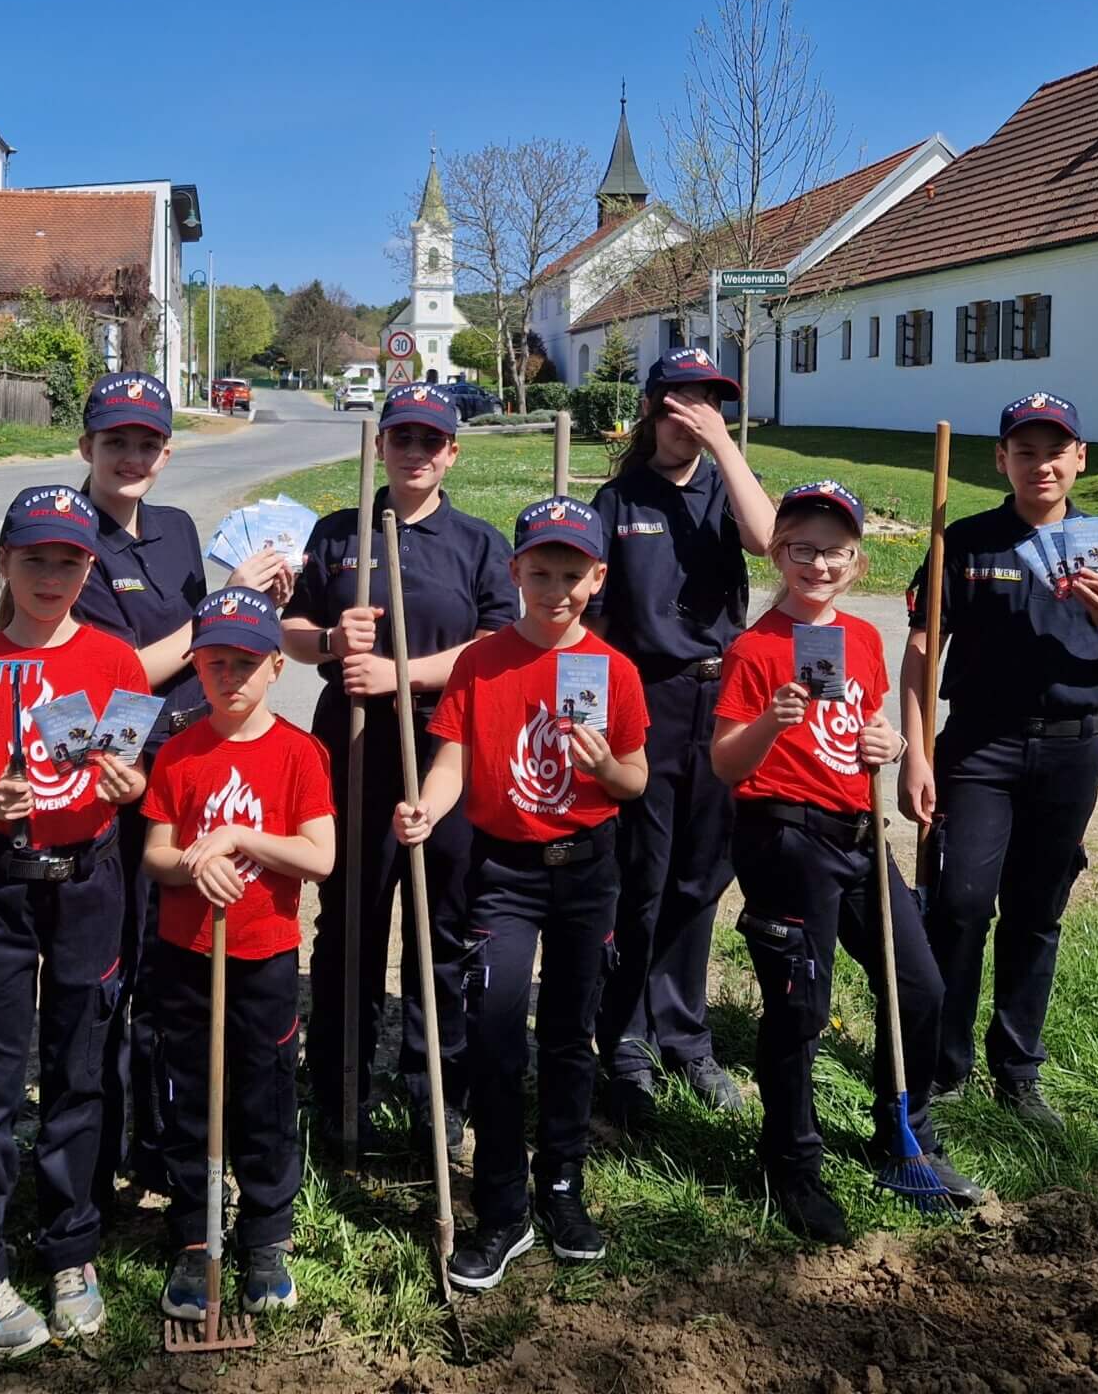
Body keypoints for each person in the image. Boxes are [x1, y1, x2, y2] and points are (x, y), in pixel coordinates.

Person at [711, 481, 984, 1243]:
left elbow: (865, 721)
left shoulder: (858, 640)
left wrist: (890, 743)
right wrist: (772, 719)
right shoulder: (754, 648)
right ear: (777, 552)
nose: (818, 563)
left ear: (857, 562)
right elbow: (727, 765)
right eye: (801, 548)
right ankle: (790, 1160)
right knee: (800, 1008)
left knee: (919, 986)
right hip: (784, 839)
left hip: (858, 837)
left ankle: (903, 1136)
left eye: (834, 550)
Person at [396, 497, 648, 1290]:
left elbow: (635, 779)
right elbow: (451, 759)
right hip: (501, 873)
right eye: (540, 572)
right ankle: (502, 1206)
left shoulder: (614, 671)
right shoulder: (481, 662)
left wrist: (603, 767)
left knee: (571, 1033)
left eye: (573, 574)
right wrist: (426, 808)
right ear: (514, 575)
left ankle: (563, 1186)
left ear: (598, 578)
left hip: (586, 867)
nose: (556, 589)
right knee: (498, 1030)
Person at [901, 394, 1098, 1128]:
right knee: (957, 906)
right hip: (979, 747)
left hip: (1071, 750)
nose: (1040, 464)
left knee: (1036, 912)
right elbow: (924, 652)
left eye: (1056, 450)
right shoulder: (964, 542)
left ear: (1080, 457)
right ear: (1002, 460)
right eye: (1025, 450)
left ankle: (1017, 1072)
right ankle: (946, 1068)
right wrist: (914, 756)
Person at [0, 485, 150, 1357]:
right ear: (4, 564)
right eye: (34, 559)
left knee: (77, 1068)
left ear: (89, 567)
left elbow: (129, 773)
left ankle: (71, 1250)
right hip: (2, 885)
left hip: (90, 881)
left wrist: (128, 790)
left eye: (68, 560)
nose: (51, 575)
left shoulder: (115, 661)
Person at [69, 371, 291, 1207]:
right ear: (86, 445)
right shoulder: (67, 538)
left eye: (148, 443)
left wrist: (253, 611)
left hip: (198, 768)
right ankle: (114, 1148)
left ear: (167, 452)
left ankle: (171, 1144)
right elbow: (112, 678)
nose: (132, 456)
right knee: (118, 966)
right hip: (122, 773)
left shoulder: (173, 530)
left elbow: (211, 652)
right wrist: (213, 620)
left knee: (180, 970)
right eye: (115, 440)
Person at [282, 382, 514, 1156]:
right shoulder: (339, 528)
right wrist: (331, 643)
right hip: (352, 743)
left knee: (440, 922)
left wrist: (401, 671)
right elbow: (293, 630)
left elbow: (494, 647)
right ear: (381, 443)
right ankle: (340, 1082)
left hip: (446, 743)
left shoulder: (478, 543)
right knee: (349, 916)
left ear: (452, 451)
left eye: (431, 441)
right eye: (402, 438)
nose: (415, 453)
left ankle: (433, 1086)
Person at [589, 348, 777, 1127]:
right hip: (646, 698)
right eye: (680, 400)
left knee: (703, 875)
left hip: (720, 695)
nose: (693, 414)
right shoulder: (618, 496)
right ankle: (626, 1037)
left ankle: (685, 1034)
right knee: (644, 874)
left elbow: (767, 541)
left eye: (708, 401)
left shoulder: (723, 489)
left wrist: (727, 446)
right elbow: (594, 611)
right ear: (653, 408)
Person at [141, 588, 336, 1322]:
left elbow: (320, 857)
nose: (230, 677)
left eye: (246, 663)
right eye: (215, 662)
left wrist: (242, 839)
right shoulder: (181, 751)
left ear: (276, 667)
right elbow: (156, 854)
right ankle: (197, 1235)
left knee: (263, 1094)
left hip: (264, 955)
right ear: (195, 665)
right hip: (186, 953)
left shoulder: (299, 754)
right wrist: (192, 859)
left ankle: (265, 1237)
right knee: (192, 1094)